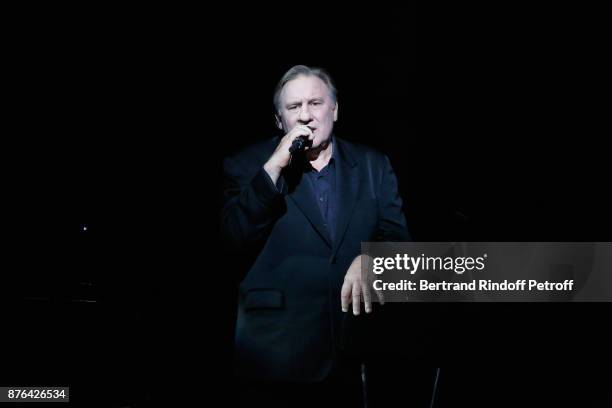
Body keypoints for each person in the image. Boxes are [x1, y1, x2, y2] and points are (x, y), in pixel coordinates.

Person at [221, 65, 410, 406]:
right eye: (294, 108)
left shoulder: (372, 165)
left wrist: (374, 260)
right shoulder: (247, 164)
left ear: (335, 110)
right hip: (275, 358)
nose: (306, 116)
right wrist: (274, 167)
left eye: (316, 103)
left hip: (353, 355)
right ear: (280, 120)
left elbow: (400, 244)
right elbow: (231, 241)